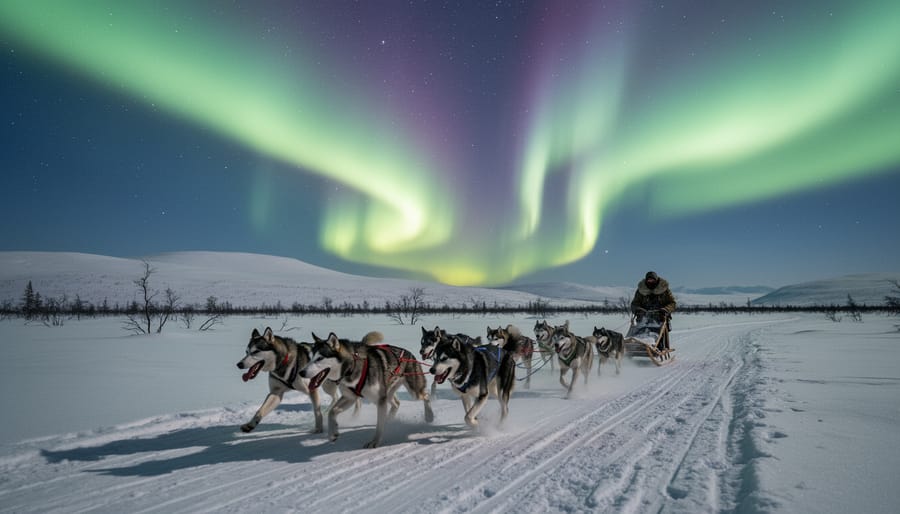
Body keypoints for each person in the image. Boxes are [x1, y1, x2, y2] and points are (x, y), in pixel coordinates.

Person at [630, 271, 676, 350]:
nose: (650, 282)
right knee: (639, 331)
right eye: (649, 280)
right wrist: (637, 309)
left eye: (652, 280)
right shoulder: (641, 290)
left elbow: (672, 303)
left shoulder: (664, 290)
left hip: (660, 316)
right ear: (646, 281)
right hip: (643, 316)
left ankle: (659, 347)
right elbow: (634, 303)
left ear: (656, 280)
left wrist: (665, 309)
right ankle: (637, 345)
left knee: (659, 332)